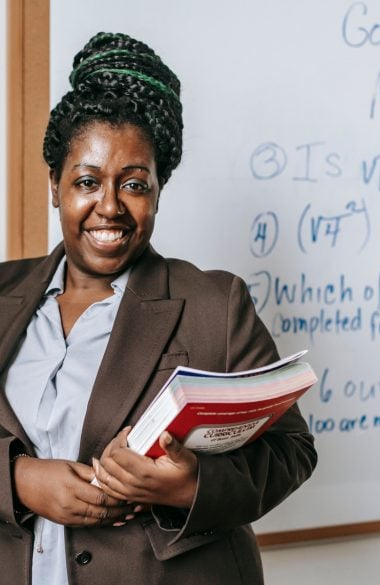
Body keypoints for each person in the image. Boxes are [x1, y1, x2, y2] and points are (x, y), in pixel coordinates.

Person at [0, 32, 317, 585]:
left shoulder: (214, 304)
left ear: (159, 187)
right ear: (54, 185)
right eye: (87, 181)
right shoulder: (3, 294)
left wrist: (190, 486)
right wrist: (18, 480)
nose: (110, 207)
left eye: (135, 184)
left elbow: (292, 451)